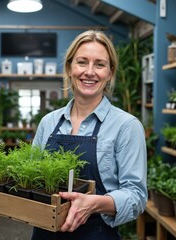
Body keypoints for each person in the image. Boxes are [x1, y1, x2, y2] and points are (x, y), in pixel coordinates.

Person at [31, 30, 147, 240]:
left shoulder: (126, 126)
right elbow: (30, 179)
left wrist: (95, 203)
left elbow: (136, 196)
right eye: (82, 62)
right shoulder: (48, 122)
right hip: (44, 232)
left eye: (100, 64)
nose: (90, 72)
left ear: (110, 73)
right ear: (69, 68)